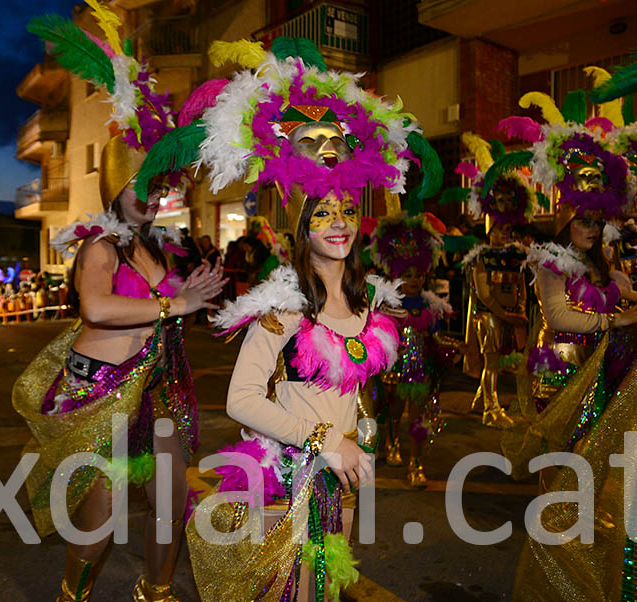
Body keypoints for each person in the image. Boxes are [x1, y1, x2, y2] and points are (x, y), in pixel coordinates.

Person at [178, 35, 442, 601]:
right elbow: (240, 401)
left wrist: (357, 438)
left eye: (347, 210)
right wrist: (325, 439)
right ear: (301, 227)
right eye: (322, 213)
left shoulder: (366, 301)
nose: (339, 223)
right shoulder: (281, 309)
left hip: (341, 474)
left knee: (324, 588)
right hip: (289, 474)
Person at [14, 7, 225, 601]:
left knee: (169, 503)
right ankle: (71, 596)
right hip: (99, 390)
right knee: (96, 523)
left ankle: (155, 594)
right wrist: (174, 305)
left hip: (154, 390)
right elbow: (98, 310)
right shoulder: (100, 246)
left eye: (159, 188)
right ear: (116, 187)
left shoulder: (159, 251)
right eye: (144, 189)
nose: (155, 199)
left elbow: (178, 308)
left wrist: (202, 297)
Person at [496, 85, 637, 482]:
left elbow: (619, 291)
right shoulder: (553, 262)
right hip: (560, 364)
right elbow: (558, 314)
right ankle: (549, 525)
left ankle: (571, 517)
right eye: (585, 221)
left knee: (587, 446)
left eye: (598, 221)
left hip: (595, 363)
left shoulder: (599, 263)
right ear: (567, 220)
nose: (593, 228)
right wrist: (612, 323)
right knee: (558, 447)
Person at [444, 132, 537, 429]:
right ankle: (490, 406)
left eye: (507, 231)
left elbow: (521, 283)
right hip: (491, 316)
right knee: (492, 362)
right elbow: (483, 292)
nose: (502, 235)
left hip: (511, 316)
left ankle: (486, 398)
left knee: (500, 362)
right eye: (498, 230)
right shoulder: (480, 256)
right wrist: (504, 312)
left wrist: (519, 308)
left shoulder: (516, 254)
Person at [369, 210, 456, 488]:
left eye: (418, 275)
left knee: (419, 416)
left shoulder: (430, 306)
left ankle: (415, 464)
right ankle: (391, 443)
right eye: (407, 275)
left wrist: (450, 348)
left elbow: (435, 336)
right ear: (395, 275)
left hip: (421, 369)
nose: (414, 280)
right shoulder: (387, 305)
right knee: (394, 411)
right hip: (395, 368)